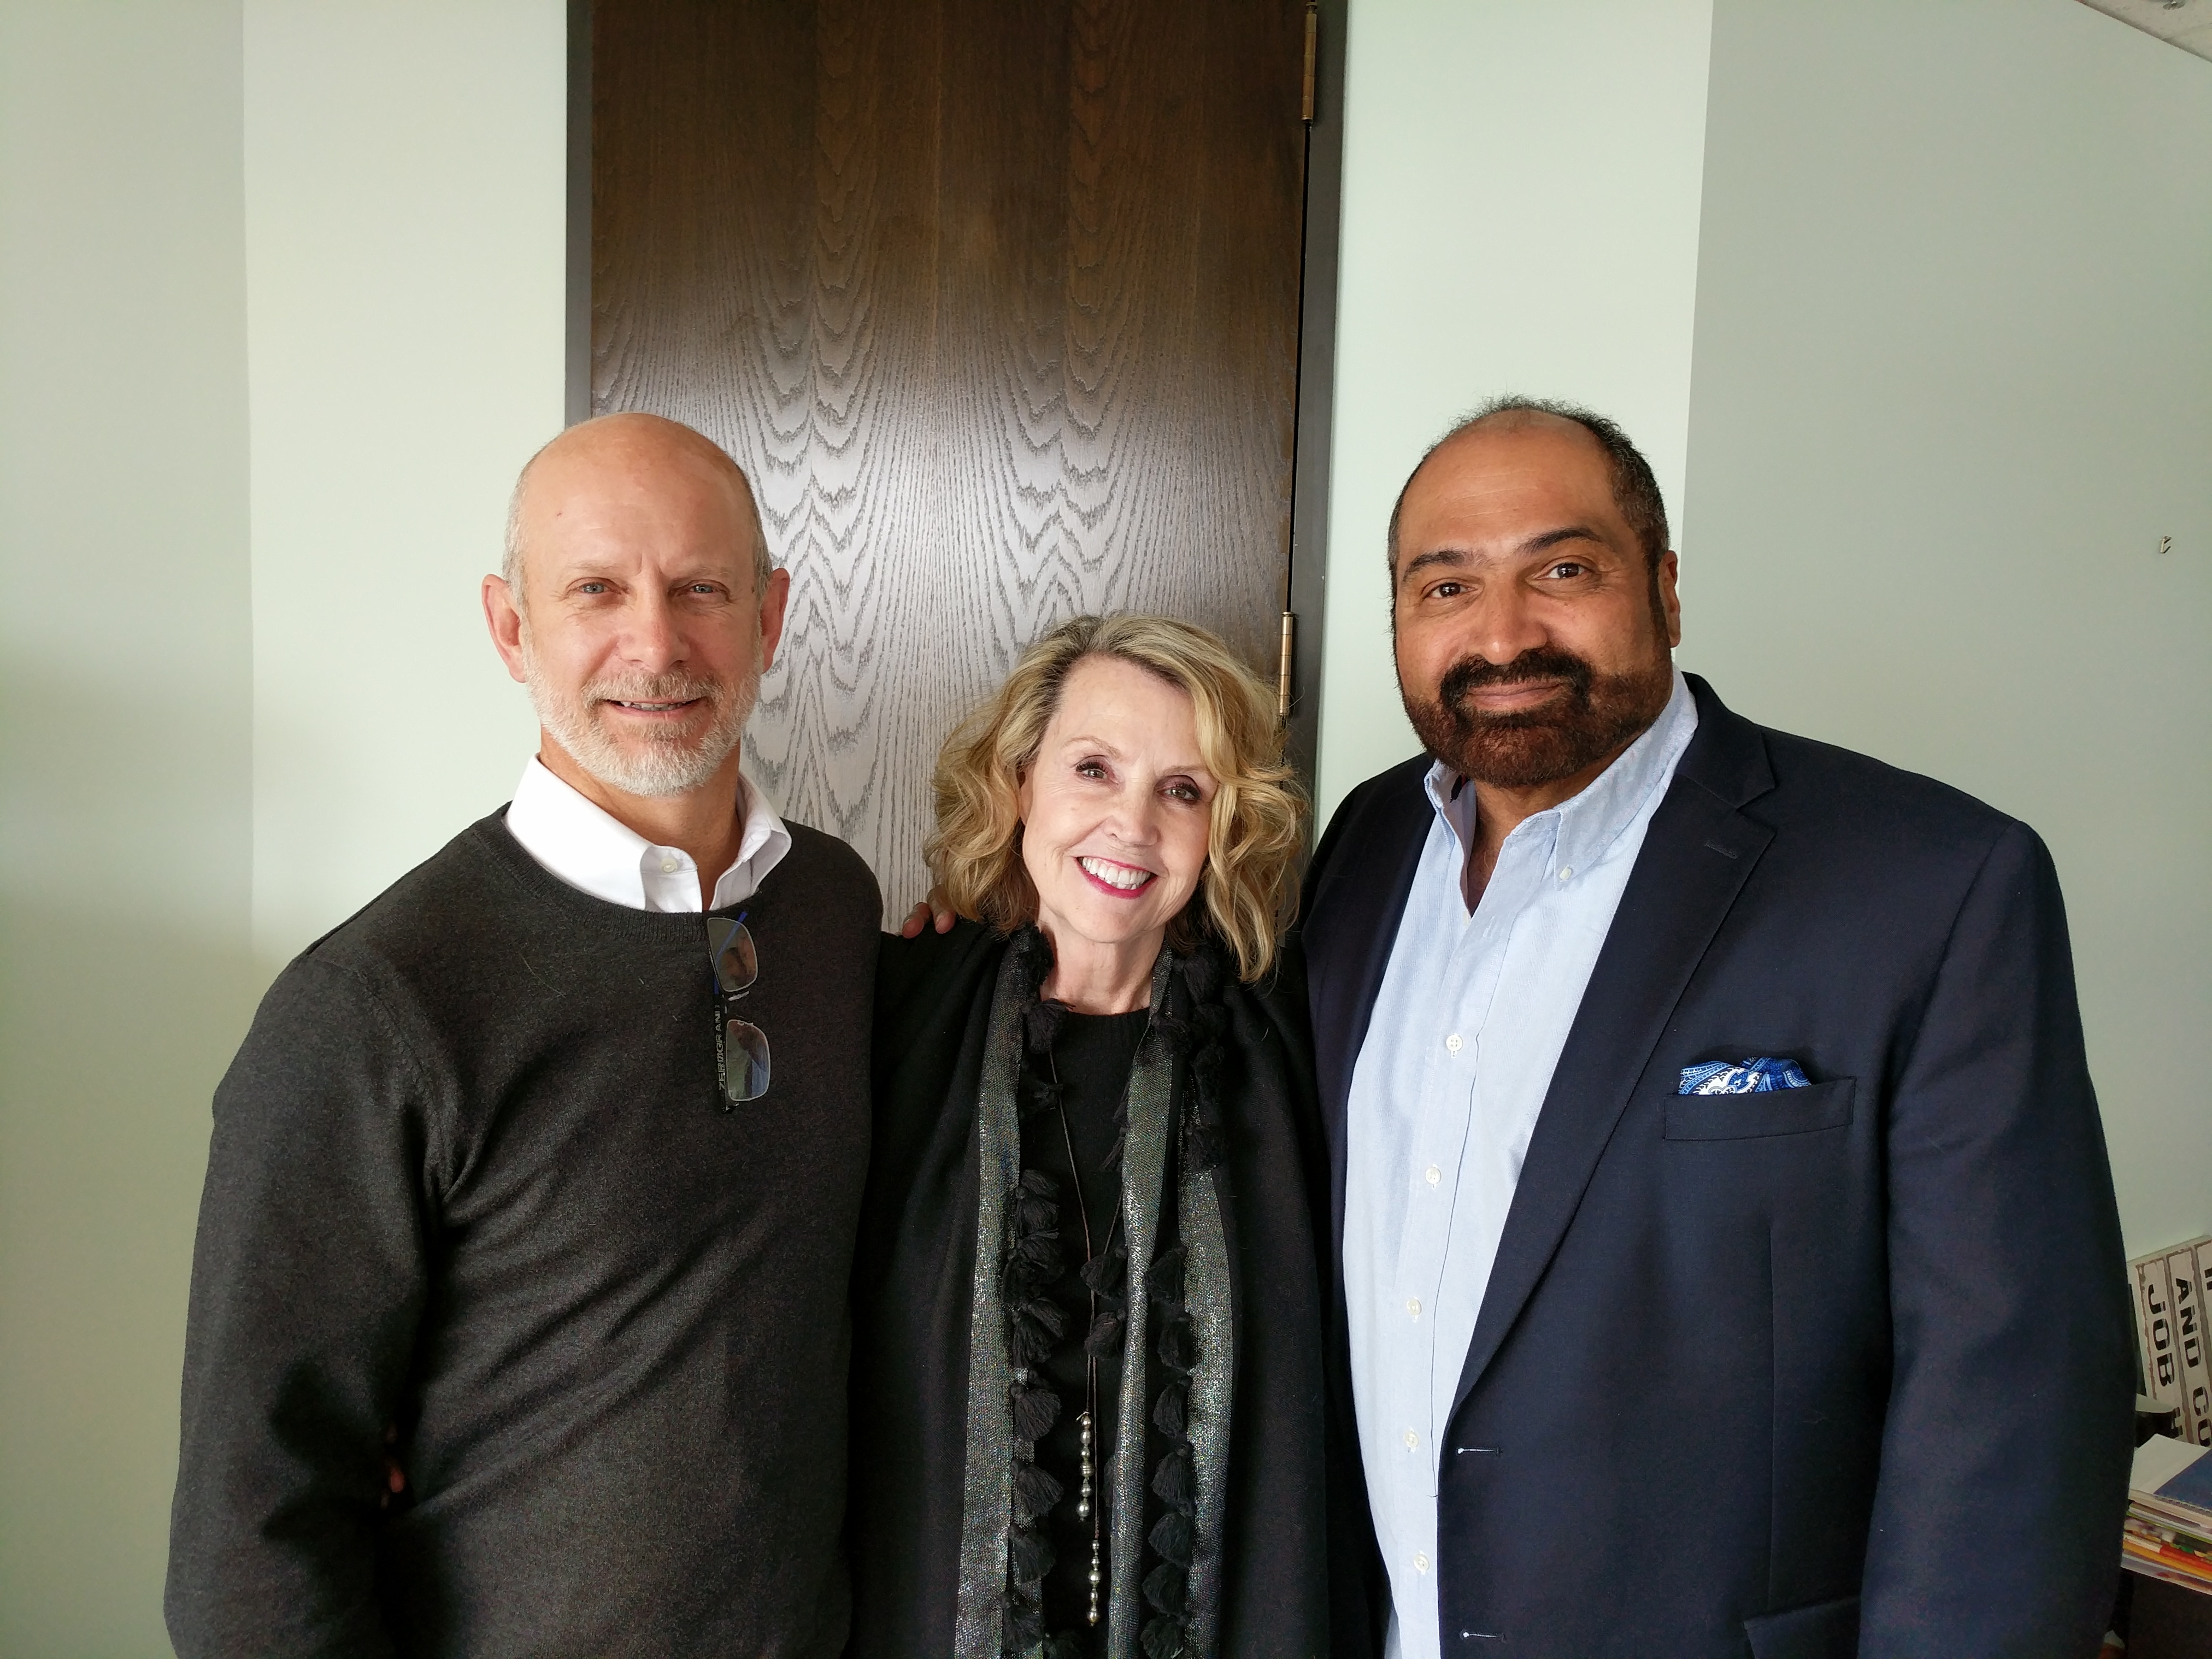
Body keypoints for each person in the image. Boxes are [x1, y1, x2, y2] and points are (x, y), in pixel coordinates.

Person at [1301, 398, 2135, 1658]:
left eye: (1563, 570)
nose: (1503, 632)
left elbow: (2014, 1417)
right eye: (1444, 588)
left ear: (1666, 589)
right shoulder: (1358, 851)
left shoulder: (1931, 884)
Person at [166, 413, 880, 1656]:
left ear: (766, 619)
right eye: (595, 589)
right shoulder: (374, 1007)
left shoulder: (834, 909)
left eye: (700, 588)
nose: (653, 644)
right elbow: (253, 1528)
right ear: (511, 627)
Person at [848, 614, 1356, 1658]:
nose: (1132, 826)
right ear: (1021, 781)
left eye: (1183, 789)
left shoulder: (1296, 1047)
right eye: (1093, 769)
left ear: (1224, 824)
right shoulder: (888, 1017)